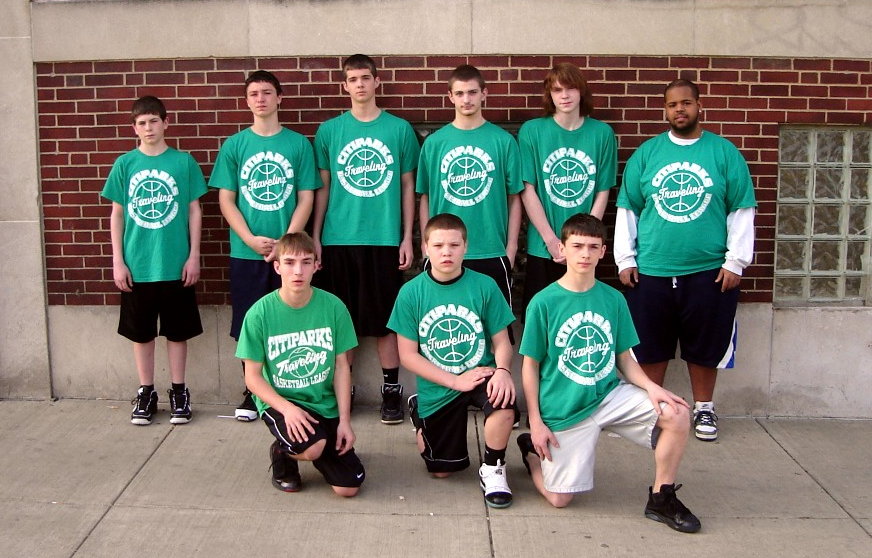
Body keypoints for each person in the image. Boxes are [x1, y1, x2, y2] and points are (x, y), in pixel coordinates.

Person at [518, 214, 701, 533]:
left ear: (603, 251)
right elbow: (530, 366)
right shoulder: (543, 302)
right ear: (562, 249)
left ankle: (661, 498)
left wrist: (652, 388)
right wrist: (535, 422)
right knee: (559, 499)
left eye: (593, 247)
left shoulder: (613, 299)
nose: (585, 254)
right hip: (565, 409)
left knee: (676, 413)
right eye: (577, 246)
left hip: (608, 396)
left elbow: (624, 359)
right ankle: (534, 455)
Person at [614, 78, 757, 441]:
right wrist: (625, 259)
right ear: (665, 110)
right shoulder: (647, 154)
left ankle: (704, 408)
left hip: (709, 272)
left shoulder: (724, 153)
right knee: (649, 345)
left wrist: (735, 262)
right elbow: (628, 209)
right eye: (672, 104)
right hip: (651, 271)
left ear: (699, 106)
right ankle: (652, 408)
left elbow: (741, 209)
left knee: (705, 346)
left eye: (686, 103)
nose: (679, 109)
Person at [312, 54, 420, 424]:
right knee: (342, 320)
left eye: (365, 77)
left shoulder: (399, 129)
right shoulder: (330, 131)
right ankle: (345, 386)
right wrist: (316, 236)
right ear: (345, 86)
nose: (360, 84)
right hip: (338, 240)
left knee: (385, 320)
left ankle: (391, 389)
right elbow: (323, 187)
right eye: (353, 79)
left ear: (377, 81)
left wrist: (407, 236)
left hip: (384, 240)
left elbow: (408, 185)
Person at [209, 70, 320, 422]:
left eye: (267, 92)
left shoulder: (298, 144)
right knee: (250, 324)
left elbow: (306, 197)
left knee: (292, 321)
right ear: (247, 101)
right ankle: (253, 390)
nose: (261, 99)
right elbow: (226, 200)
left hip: (290, 257)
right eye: (254, 93)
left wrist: (286, 243)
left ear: (279, 98)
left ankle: (290, 389)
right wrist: (249, 239)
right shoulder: (235, 145)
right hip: (248, 253)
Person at [387, 214, 517, 509]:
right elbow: (408, 355)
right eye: (438, 245)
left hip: (480, 372)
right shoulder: (411, 293)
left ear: (465, 247)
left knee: (504, 401)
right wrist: (455, 381)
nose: (446, 252)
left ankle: (493, 468)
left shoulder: (484, 286)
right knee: (442, 471)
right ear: (426, 248)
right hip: (440, 381)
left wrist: (503, 370)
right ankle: (421, 417)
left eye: (454, 245)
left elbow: (501, 341)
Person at [101, 95, 207, 425]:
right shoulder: (125, 164)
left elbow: (194, 210)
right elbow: (117, 214)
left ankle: (179, 392)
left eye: (154, 121)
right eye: (142, 123)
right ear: (134, 128)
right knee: (141, 333)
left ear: (165, 123)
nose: (148, 128)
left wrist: (194, 255)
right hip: (138, 265)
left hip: (176, 264)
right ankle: (146, 391)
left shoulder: (183, 162)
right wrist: (118, 261)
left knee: (177, 332)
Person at [236, 232, 364, 497]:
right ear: (277, 266)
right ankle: (282, 453)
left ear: (317, 265)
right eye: (290, 262)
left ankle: (318, 441)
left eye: (306, 262)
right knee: (314, 447)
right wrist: (287, 409)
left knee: (348, 488)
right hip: (282, 402)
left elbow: (342, 367)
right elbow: (252, 378)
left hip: (322, 401)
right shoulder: (259, 313)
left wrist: (344, 420)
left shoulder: (334, 307)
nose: (298, 271)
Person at [416, 64, 523, 320]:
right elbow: (425, 197)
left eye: (473, 92)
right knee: (446, 325)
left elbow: (514, 198)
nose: (467, 99)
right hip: (445, 251)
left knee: (496, 329)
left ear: (484, 94)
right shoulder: (434, 143)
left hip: (491, 249)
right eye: (460, 93)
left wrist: (510, 247)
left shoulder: (503, 141)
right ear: (450, 96)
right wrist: (425, 245)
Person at [518, 62, 617, 309]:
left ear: (581, 91)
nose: (564, 95)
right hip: (544, 246)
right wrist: (552, 241)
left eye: (570, 88)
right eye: (557, 90)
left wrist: (583, 240)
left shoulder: (602, 133)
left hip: (585, 250)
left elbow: (603, 191)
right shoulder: (532, 131)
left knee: (581, 317)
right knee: (541, 316)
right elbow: (527, 189)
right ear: (549, 95)